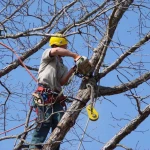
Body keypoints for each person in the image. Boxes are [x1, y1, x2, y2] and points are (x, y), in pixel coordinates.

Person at [29, 33, 81, 150]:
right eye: (65, 46)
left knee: (61, 123)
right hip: (44, 95)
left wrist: (73, 70)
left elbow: (62, 81)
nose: (66, 49)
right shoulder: (48, 54)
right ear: (60, 44)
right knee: (44, 122)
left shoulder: (62, 65)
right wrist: (74, 55)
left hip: (56, 97)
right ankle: (34, 147)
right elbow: (56, 50)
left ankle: (54, 146)